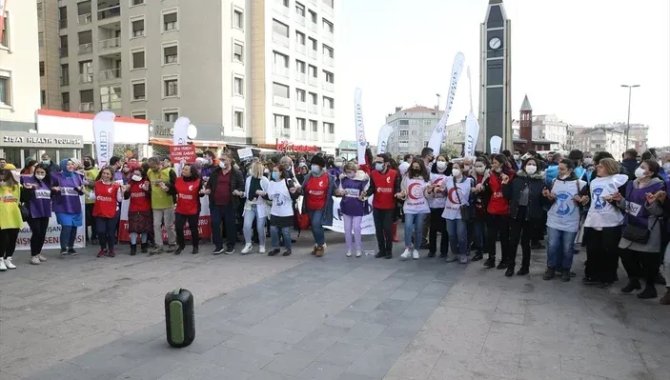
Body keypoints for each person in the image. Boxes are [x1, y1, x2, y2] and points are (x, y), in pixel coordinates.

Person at [617, 160, 666, 298]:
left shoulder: (659, 186)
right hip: (631, 225)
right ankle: (633, 280)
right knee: (624, 252)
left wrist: (651, 204)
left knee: (648, 260)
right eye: (639, 166)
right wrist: (620, 200)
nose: (639, 169)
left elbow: (659, 211)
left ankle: (650, 287)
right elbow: (629, 205)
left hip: (649, 228)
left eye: (643, 167)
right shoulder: (631, 184)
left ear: (650, 172)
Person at [582, 157, 629, 287]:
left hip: (611, 221)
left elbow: (624, 202)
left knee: (609, 251)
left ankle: (608, 277)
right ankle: (592, 274)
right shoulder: (593, 181)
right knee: (593, 249)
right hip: (594, 219)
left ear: (609, 168)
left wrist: (615, 200)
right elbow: (591, 198)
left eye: (601, 166)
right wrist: (585, 200)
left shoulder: (619, 180)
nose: (597, 167)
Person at [542, 159, 588, 281]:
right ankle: (551, 267)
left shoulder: (581, 184)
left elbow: (585, 202)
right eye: (559, 168)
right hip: (554, 219)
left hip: (571, 220)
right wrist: (548, 197)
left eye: (562, 169)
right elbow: (549, 202)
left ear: (570, 170)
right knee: (552, 245)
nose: (559, 171)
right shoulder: (553, 181)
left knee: (568, 247)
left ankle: (565, 269)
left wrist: (581, 201)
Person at [506, 158, 547, 276]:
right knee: (513, 241)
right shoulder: (516, 179)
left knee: (525, 242)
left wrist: (545, 196)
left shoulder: (541, 182)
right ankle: (510, 266)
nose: (531, 166)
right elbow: (508, 195)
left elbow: (543, 202)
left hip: (531, 215)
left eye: (534, 164)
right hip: (516, 213)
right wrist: (505, 185)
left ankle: (525, 267)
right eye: (529, 164)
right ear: (524, 166)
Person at [205, 153, 245, 255]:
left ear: (230, 160)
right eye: (221, 159)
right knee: (215, 223)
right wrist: (208, 190)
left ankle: (230, 246)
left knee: (230, 225)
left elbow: (241, 186)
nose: (222, 161)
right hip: (215, 204)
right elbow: (209, 185)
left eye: (224, 159)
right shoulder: (216, 172)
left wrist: (238, 191)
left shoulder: (236, 173)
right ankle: (218, 246)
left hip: (230, 204)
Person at [300, 155, 337, 257]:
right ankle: (317, 244)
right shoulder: (308, 176)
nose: (313, 167)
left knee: (316, 224)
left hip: (321, 206)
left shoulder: (328, 177)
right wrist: (297, 190)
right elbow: (303, 188)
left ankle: (321, 244)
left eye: (315, 165)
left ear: (321, 166)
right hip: (310, 205)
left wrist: (340, 191)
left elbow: (334, 190)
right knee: (314, 226)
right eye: (312, 164)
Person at [365, 154, 401, 259]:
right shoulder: (373, 173)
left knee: (387, 229)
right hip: (377, 206)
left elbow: (397, 188)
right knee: (378, 229)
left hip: (390, 207)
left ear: (386, 163)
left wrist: (398, 194)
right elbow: (372, 188)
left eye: (380, 162)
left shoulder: (394, 174)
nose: (377, 164)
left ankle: (389, 251)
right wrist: (366, 194)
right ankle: (382, 250)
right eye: (376, 162)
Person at [482, 154, 513, 269]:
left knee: (504, 236)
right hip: (492, 208)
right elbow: (488, 189)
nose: (493, 165)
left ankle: (505, 259)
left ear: (501, 163)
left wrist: (505, 182)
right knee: (491, 235)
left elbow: (510, 193)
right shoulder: (490, 174)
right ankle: (491, 258)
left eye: (495, 162)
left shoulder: (510, 174)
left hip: (505, 210)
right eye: (492, 163)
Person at [262, 164, 299, 256]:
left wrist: (295, 191)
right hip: (275, 211)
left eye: (276, 171)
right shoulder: (271, 183)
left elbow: (294, 195)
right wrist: (262, 194)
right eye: (273, 171)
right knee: (273, 230)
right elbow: (269, 197)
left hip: (286, 212)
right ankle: (276, 248)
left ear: (281, 172)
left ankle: (288, 248)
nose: (274, 173)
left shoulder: (287, 181)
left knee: (285, 231)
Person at [440, 161, 473, 264]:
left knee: (461, 234)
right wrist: (437, 189)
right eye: (453, 168)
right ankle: (454, 252)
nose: (454, 170)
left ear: (462, 169)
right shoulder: (448, 179)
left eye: (457, 168)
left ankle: (463, 253)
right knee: (451, 234)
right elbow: (442, 190)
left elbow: (473, 196)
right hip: (449, 211)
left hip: (461, 212)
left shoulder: (469, 181)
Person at [335, 162, 370, 258]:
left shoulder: (362, 179)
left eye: (350, 172)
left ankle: (358, 249)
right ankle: (349, 248)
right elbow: (339, 191)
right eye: (346, 172)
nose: (348, 174)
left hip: (357, 206)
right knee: (347, 229)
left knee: (357, 228)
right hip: (346, 205)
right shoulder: (343, 179)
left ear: (355, 171)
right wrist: (341, 192)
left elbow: (366, 191)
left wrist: (363, 195)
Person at [399, 159, 430, 260]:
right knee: (408, 227)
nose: (415, 169)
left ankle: (416, 249)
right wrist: (402, 194)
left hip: (422, 207)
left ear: (421, 167)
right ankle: (408, 248)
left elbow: (427, 194)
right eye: (413, 167)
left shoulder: (426, 178)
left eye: (417, 167)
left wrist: (429, 191)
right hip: (409, 206)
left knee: (419, 228)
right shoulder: (406, 177)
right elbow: (403, 190)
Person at [20, 164, 52, 265]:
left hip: (45, 211)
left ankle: (38, 253)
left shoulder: (47, 182)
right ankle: (33, 255)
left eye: (42, 172)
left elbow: (51, 195)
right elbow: (23, 197)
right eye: (38, 172)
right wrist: (28, 189)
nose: (40, 174)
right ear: (34, 172)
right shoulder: (28, 181)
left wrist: (55, 190)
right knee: (36, 232)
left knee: (42, 233)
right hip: (32, 211)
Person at [52, 159, 84, 256]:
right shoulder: (56, 176)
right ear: (62, 166)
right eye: (67, 164)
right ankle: (63, 248)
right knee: (66, 227)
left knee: (74, 228)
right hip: (62, 206)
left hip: (75, 206)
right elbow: (49, 188)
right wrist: (54, 189)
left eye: (72, 164)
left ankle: (71, 247)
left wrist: (80, 190)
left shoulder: (78, 176)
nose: (70, 166)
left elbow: (81, 192)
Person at [147, 157, 177, 254]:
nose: (152, 168)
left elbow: (176, 187)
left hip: (168, 202)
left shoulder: (169, 171)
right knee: (156, 225)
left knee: (169, 225)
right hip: (155, 203)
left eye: (153, 166)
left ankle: (172, 243)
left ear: (159, 163)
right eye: (150, 167)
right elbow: (147, 184)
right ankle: (158, 245)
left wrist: (168, 188)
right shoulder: (149, 172)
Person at [172, 163, 203, 255]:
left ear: (191, 172)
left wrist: (202, 192)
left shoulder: (198, 181)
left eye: (186, 170)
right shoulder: (178, 180)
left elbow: (202, 193)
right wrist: (166, 188)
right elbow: (173, 191)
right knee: (178, 227)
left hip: (193, 208)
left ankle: (195, 246)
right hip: (180, 208)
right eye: (183, 169)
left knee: (193, 228)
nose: (183, 171)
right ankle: (181, 245)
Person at [92, 167, 125, 257]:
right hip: (100, 211)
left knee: (110, 233)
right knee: (100, 231)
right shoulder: (97, 184)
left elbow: (119, 199)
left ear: (111, 176)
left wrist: (122, 193)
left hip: (113, 212)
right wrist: (84, 191)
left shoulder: (116, 185)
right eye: (104, 173)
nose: (105, 175)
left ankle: (111, 249)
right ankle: (103, 248)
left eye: (107, 174)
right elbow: (94, 196)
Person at [241, 161, 270, 255]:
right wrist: (241, 194)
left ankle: (262, 245)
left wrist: (262, 193)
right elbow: (246, 192)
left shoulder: (265, 180)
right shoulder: (249, 179)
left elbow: (269, 195)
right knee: (246, 225)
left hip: (260, 205)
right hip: (249, 205)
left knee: (260, 227)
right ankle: (248, 244)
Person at [0, 164, 23, 271]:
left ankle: (8, 258)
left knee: (13, 238)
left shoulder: (17, 186)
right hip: (2, 216)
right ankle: (0, 259)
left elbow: (20, 199)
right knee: (3, 239)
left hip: (14, 215)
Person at [125, 165, 151, 255]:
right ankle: (133, 247)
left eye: (138, 173)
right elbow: (126, 197)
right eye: (134, 173)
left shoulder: (146, 182)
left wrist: (147, 190)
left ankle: (144, 246)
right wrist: (127, 190)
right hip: (133, 209)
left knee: (144, 229)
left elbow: (150, 196)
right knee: (133, 230)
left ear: (141, 174)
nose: (135, 175)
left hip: (145, 209)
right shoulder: (130, 183)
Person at [427, 155, 449, 258]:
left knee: (445, 229)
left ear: (447, 162)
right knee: (433, 229)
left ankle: (444, 251)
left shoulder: (449, 176)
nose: (440, 162)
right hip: (433, 205)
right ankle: (432, 250)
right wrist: (431, 189)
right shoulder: (431, 175)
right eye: (439, 160)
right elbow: (427, 188)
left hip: (445, 206)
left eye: (443, 160)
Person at [470, 157, 489, 261]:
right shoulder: (470, 176)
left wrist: (483, 188)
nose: (478, 168)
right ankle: (479, 250)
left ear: (485, 165)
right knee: (477, 231)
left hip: (487, 206)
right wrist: (472, 190)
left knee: (486, 230)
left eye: (480, 166)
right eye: (476, 166)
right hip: (475, 207)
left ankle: (487, 247)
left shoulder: (490, 176)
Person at [82, 156, 99, 244]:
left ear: (92, 161)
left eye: (87, 159)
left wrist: (88, 183)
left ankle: (94, 236)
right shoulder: (81, 171)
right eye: (84, 159)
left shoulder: (96, 171)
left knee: (94, 220)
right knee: (84, 220)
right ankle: (85, 237)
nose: (85, 161)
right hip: (83, 200)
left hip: (93, 199)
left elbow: (98, 183)